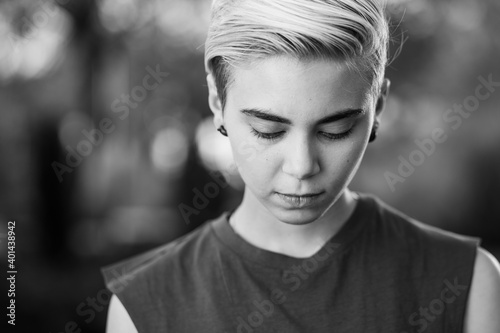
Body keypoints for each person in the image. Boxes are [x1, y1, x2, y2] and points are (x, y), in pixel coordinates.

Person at [102, 0, 500, 332]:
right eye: (268, 130)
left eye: (336, 129)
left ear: (377, 106)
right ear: (217, 100)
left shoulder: (468, 282)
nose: (302, 166)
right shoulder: (143, 308)